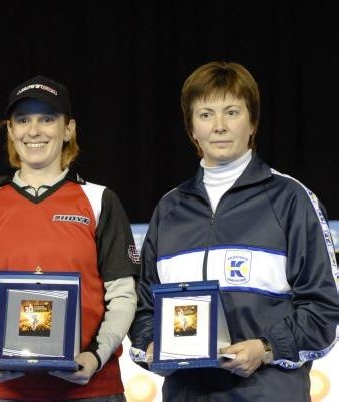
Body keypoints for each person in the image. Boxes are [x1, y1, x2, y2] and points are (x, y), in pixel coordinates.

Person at [128, 61, 339, 401]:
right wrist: (152, 346)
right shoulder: (169, 209)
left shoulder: (291, 199)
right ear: (191, 128)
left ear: (252, 123)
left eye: (232, 112)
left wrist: (266, 348)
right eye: (206, 114)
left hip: (268, 392)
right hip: (186, 393)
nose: (220, 126)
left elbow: (323, 309)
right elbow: (143, 307)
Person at [0, 75, 140, 401]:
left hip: (92, 388)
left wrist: (96, 357)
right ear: (11, 131)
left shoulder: (100, 200)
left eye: (47, 118)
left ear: (68, 129)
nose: (34, 130)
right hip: (9, 391)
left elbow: (123, 295)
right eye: (23, 120)